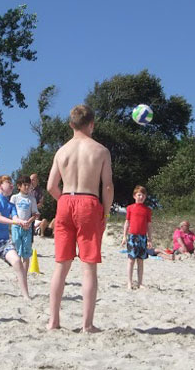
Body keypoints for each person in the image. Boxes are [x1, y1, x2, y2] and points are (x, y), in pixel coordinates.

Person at [46, 104, 114, 333]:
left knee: (61, 266)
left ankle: (53, 321)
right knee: (88, 267)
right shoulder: (101, 151)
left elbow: (50, 186)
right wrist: (105, 211)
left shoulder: (61, 151)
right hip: (88, 201)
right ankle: (87, 325)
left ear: (70, 125)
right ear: (92, 124)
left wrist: (64, 202)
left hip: (65, 200)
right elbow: (107, 186)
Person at [121, 185, 152, 289]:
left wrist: (150, 239)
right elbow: (127, 222)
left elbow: (149, 225)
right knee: (131, 260)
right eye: (139, 195)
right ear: (134, 196)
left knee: (140, 261)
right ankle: (129, 283)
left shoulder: (147, 210)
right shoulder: (130, 208)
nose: (141, 197)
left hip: (143, 237)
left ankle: (140, 283)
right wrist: (124, 237)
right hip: (132, 237)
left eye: (143, 195)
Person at [10, 175, 40, 283]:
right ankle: (17, 275)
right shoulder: (14, 198)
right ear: (19, 186)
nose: (27, 187)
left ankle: (24, 276)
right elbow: (11, 212)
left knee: (26, 253)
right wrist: (18, 221)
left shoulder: (32, 199)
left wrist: (29, 222)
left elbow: (35, 214)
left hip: (27, 227)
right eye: (25, 185)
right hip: (16, 226)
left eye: (29, 185)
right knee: (17, 251)